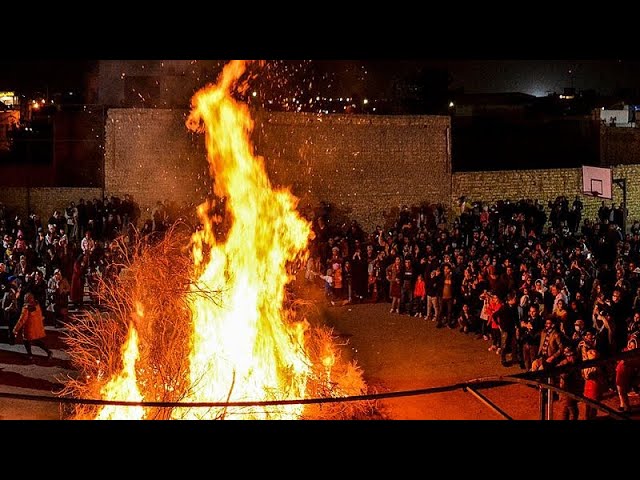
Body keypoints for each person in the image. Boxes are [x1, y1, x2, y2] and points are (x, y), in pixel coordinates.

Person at [12, 292, 53, 362]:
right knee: (36, 340)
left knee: (26, 341)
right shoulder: (37, 305)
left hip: (29, 328)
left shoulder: (26, 308)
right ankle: (48, 352)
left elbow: (22, 320)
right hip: (37, 327)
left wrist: (15, 329)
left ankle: (30, 356)